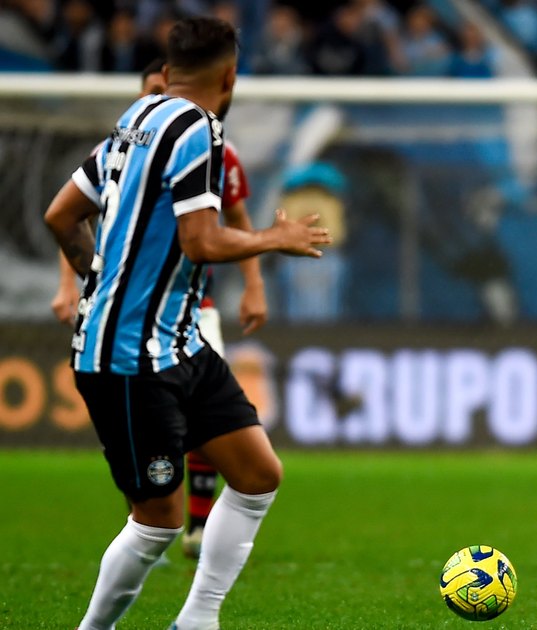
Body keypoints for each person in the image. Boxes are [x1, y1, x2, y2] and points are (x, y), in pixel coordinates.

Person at [42, 17, 329, 630]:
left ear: (168, 71)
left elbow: (61, 214)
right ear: (231, 76)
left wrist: (94, 279)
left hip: (178, 342)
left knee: (257, 475)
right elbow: (199, 243)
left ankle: (197, 620)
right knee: (158, 522)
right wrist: (271, 238)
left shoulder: (135, 119)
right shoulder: (199, 132)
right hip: (128, 358)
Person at [50, 57, 267, 561]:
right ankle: (152, 519)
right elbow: (75, 218)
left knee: (214, 427)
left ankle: (194, 523)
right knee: (155, 437)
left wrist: (254, 283)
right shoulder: (125, 145)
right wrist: (77, 284)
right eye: (152, 89)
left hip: (194, 312)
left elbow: (235, 216)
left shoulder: (216, 151)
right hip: (129, 325)